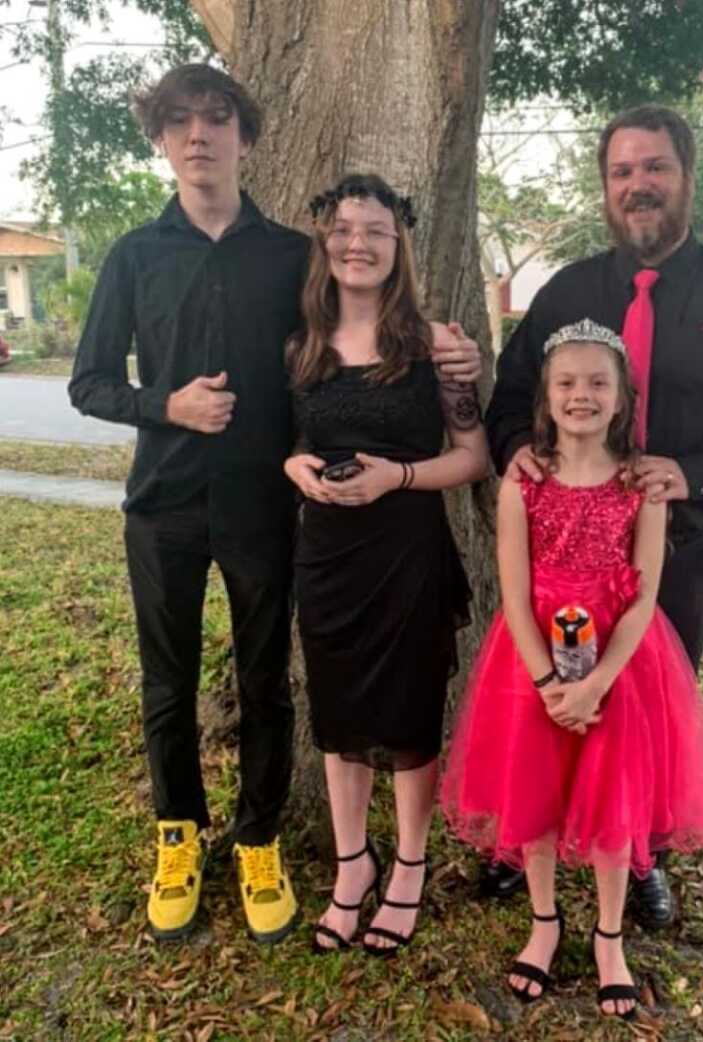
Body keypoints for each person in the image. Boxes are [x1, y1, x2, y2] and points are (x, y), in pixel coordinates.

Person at [68, 66, 481, 945]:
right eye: (179, 122)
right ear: (160, 141)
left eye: (216, 120)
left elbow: (353, 341)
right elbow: (89, 383)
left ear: (245, 138)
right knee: (168, 681)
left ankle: (259, 836)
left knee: (266, 681)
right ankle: (177, 833)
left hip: (268, 506)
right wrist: (163, 405)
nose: (198, 136)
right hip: (164, 506)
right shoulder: (134, 256)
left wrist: (454, 358)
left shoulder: (295, 253)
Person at [482, 104, 703, 924]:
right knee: (545, 702)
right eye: (622, 172)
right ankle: (533, 836)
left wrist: (689, 473)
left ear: (686, 176)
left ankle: (641, 851)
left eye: (654, 167)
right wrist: (520, 447)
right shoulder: (567, 292)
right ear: (605, 189)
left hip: (678, 548)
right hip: (560, 551)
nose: (639, 186)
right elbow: (515, 395)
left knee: (644, 708)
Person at [442, 320, 703, 1018]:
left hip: (623, 668)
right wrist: (548, 684)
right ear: (545, 397)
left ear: (623, 397)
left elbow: (643, 596)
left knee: (615, 796)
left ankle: (609, 936)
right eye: (567, 383)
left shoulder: (643, 487)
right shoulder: (524, 485)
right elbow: (512, 593)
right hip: (531, 659)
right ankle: (545, 922)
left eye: (598, 383)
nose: (582, 395)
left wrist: (597, 682)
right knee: (534, 794)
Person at [284, 173, 489, 957]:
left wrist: (396, 475)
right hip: (326, 558)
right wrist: (295, 469)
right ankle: (351, 864)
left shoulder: (437, 347)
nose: (357, 243)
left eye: (374, 230)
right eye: (342, 229)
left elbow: (472, 457)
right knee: (337, 722)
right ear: (324, 242)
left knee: (407, 720)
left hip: (406, 555)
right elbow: (294, 443)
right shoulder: (300, 344)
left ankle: (408, 863)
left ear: (397, 245)